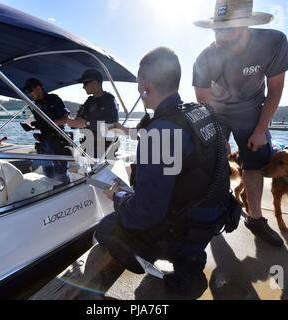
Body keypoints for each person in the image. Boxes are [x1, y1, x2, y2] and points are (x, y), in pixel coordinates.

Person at [95, 47, 231, 297]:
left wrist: (117, 196)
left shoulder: (161, 133)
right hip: (212, 218)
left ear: (144, 85)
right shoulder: (198, 113)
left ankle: (181, 272)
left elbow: (145, 214)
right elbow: (178, 141)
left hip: (185, 228)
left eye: (139, 83)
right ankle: (191, 262)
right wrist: (127, 132)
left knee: (107, 228)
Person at [193, 0, 288, 247]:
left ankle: (255, 219)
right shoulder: (205, 58)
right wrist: (217, 136)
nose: (220, 36)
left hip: (251, 109)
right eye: (217, 28)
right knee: (212, 161)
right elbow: (203, 101)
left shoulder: (273, 43)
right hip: (216, 110)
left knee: (255, 162)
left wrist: (261, 129)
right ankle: (212, 212)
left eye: (228, 29)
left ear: (246, 25)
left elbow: (276, 90)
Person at [23, 78, 71, 181]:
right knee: (48, 173)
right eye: (27, 91)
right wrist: (33, 126)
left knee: (60, 174)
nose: (29, 94)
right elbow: (42, 124)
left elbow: (65, 119)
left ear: (38, 88)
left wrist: (48, 124)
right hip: (44, 143)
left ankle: (64, 190)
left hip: (57, 142)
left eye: (30, 90)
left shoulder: (53, 99)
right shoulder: (35, 104)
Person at [67, 69, 119, 158]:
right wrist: (74, 122)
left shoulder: (109, 100)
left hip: (104, 151)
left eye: (85, 83)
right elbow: (79, 120)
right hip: (88, 148)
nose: (83, 87)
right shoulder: (89, 101)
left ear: (95, 83)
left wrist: (87, 123)